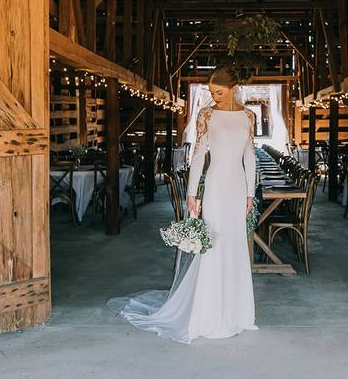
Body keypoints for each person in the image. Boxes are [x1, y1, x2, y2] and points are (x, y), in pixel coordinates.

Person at [107, 66, 259, 343]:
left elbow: (250, 156)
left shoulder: (249, 116)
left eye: (220, 92)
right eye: (212, 93)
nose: (215, 98)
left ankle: (238, 314)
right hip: (214, 187)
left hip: (238, 189)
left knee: (235, 246)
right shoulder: (207, 115)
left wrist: (250, 193)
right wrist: (193, 193)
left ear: (233, 89)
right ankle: (208, 314)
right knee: (213, 246)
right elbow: (199, 155)